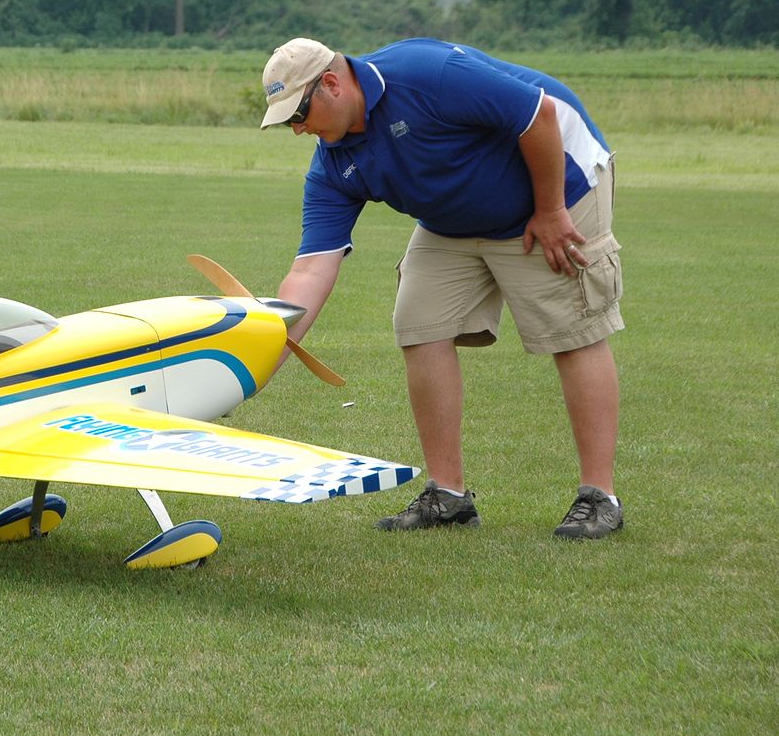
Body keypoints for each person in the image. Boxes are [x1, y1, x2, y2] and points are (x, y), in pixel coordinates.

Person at [258, 37, 624, 539]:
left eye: (298, 113)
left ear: (331, 83)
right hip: (454, 215)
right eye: (287, 123)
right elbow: (309, 270)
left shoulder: (428, 74)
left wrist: (551, 209)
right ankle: (448, 497)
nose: (298, 129)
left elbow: (538, 114)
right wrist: (257, 360)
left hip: (557, 182)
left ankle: (599, 497)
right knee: (418, 322)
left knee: (572, 331)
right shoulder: (332, 164)